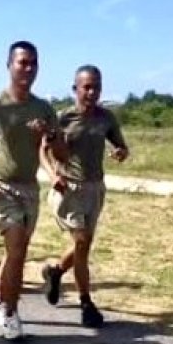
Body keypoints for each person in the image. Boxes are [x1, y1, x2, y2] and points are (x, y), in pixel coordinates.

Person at [0, 40, 67, 341]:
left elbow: (61, 151)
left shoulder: (43, 108)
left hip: (29, 189)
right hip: (0, 189)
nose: (28, 68)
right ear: (9, 65)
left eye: (33, 62)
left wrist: (48, 134)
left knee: (17, 253)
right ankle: (10, 311)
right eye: (22, 62)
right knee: (17, 248)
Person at [39, 65, 129, 328]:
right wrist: (51, 174)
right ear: (75, 88)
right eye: (86, 87)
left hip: (95, 188)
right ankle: (86, 303)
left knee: (84, 245)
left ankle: (55, 272)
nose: (92, 92)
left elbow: (121, 146)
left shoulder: (106, 118)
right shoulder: (63, 119)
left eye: (96, 87)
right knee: (81, 243)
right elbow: (43, 152)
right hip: (69, 189)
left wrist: (121, 153)